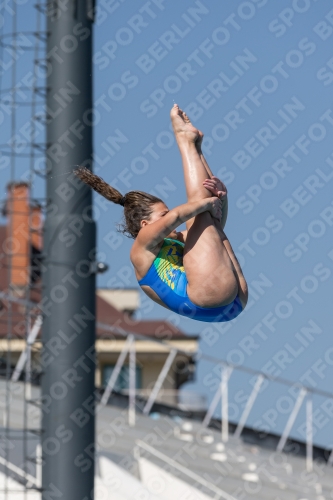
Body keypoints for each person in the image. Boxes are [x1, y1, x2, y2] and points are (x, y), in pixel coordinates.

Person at [75, 104, 248, 322]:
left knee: (205, 221)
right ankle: (185, 140)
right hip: (207, 299)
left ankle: (194, 147)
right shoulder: (142, 247)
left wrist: (221, 198)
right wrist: (207, 203)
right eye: (162, 215)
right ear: (145, 224)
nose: (170, 220)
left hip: (230, 301)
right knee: (199, 210)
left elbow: (215, 227)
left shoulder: (177, 241)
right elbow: (178, 215)